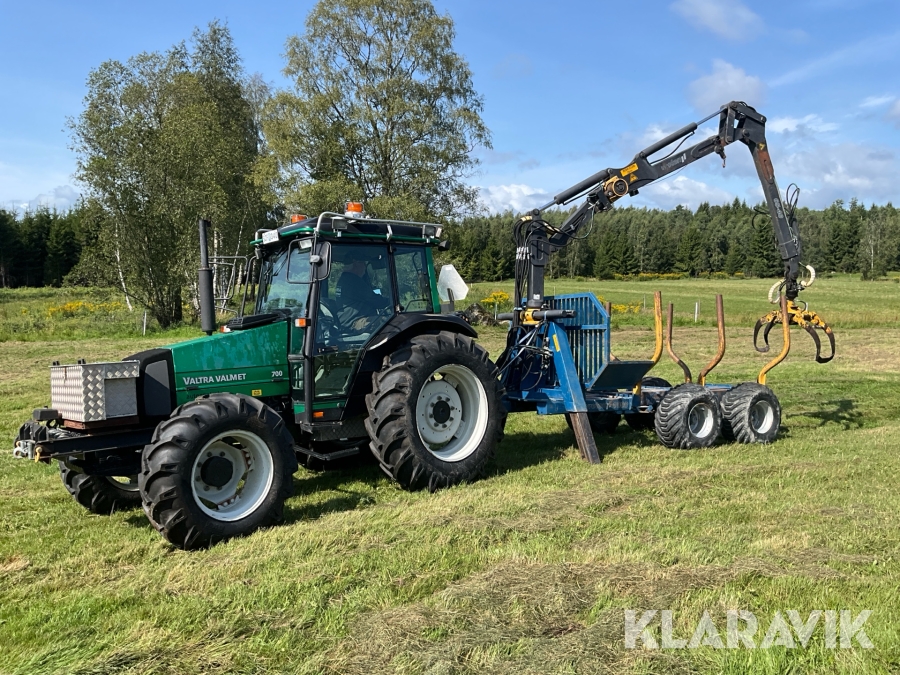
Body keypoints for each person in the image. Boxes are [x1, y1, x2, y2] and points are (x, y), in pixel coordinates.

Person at [336, 258, 389, 329]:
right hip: (355, 322)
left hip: (346, 321)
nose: (365, 267)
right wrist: (391, 301)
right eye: (364, 264)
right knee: (392, 322)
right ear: (356, 264)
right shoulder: (354, 281)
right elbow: (375, 301)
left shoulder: (344, 279)